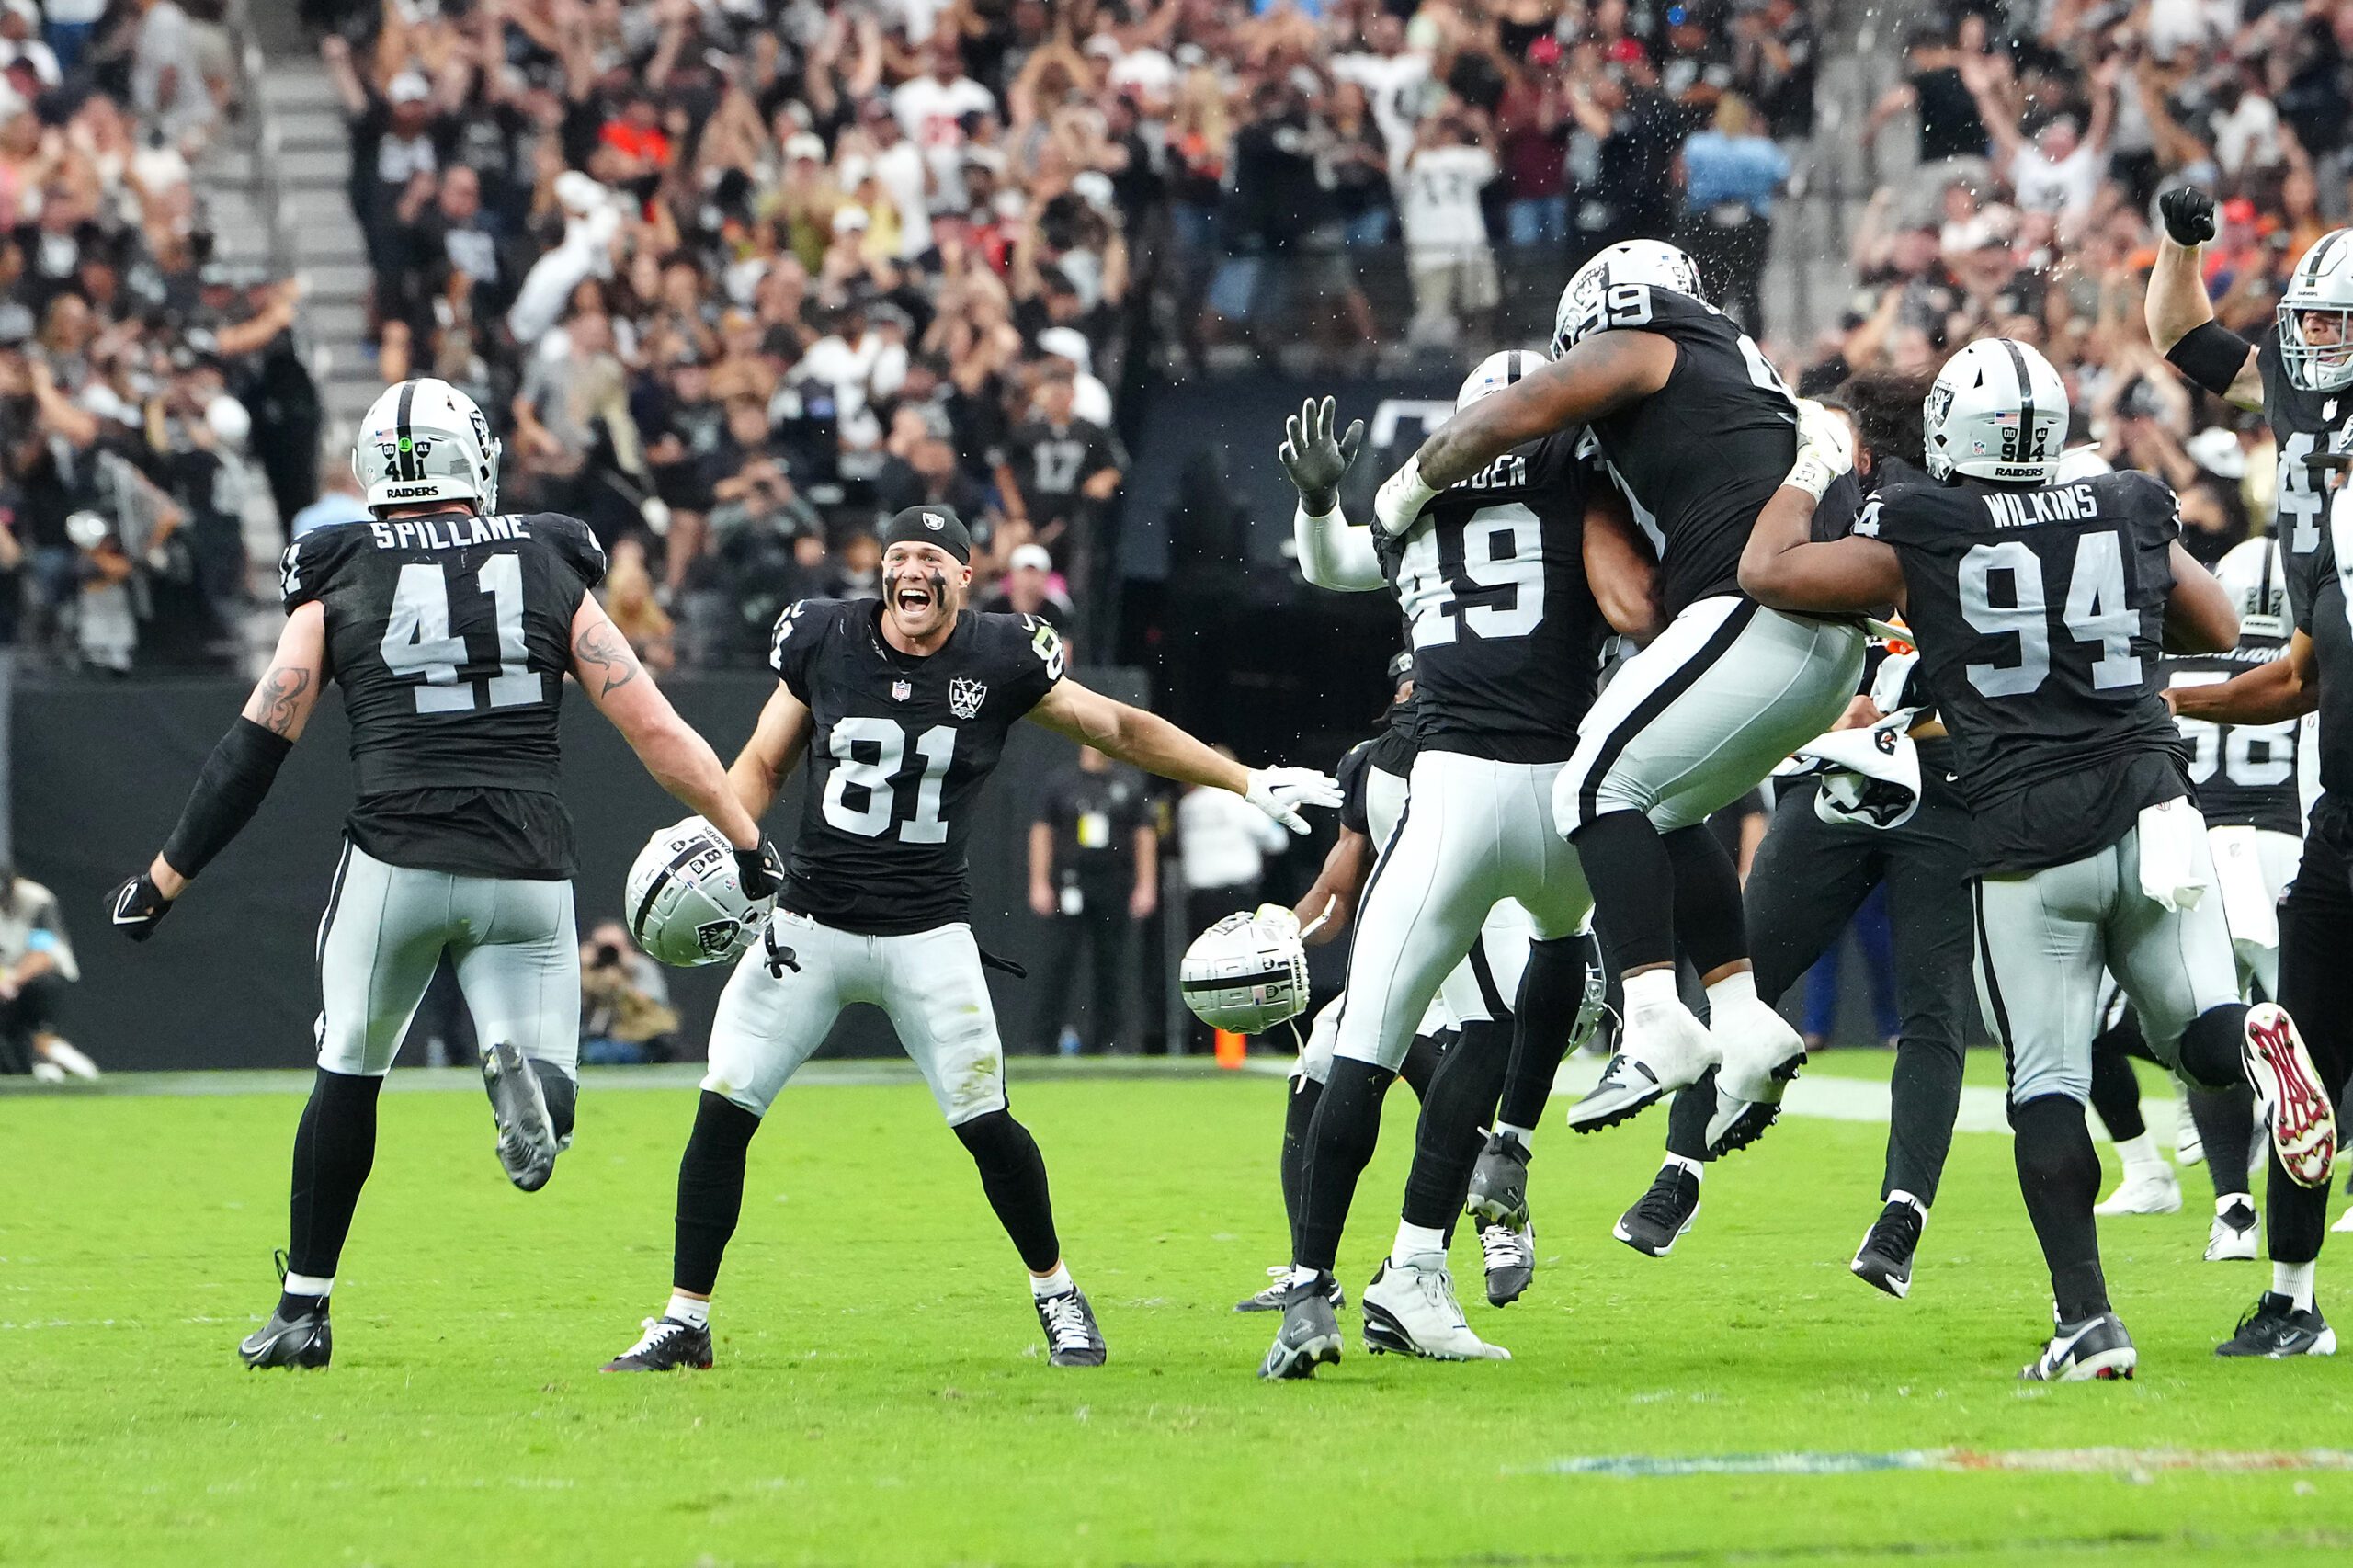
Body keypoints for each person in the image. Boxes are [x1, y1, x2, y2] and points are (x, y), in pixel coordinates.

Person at [105, 378, 779, 1371]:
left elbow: (259, 740)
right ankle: (533, 1089)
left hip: (395, 863)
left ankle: (304, 1310)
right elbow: (653, 728)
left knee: (350, 1069)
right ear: (478, 458)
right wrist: (747, 838)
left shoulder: (340, 567)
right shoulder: (548, 557)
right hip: (526, 867)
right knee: (555, 1080)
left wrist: (165, 875)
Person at [599, 505, 1338, 1375]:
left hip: (927, 931)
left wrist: (1244, 780)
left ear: (964, 572)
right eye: (898, 555)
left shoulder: (1002, 655)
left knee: (986, 1123)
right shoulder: (823, 636)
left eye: (930, 558)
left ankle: (1057, 1293)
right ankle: (686, 1320)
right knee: (723, 1108)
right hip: (810, 922)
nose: (911, 571)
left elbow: (1119, 729)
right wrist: (739, 846)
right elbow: (762, 763)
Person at [1738, 337, 2338, 1381]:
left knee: (2047, 1079)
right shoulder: (2125, 500)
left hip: (2025, 833)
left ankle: (2088, 1321)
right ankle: (2254, 1033)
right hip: (2155, 806)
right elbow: (2214, 623)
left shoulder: (1926, 522)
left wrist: (1810, 463)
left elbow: (1768, 572)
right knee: (2191, 1022)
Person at [1367, 239, 1865, 1163]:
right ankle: (1745, 1018)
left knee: (1590, 783)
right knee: (1659, 805)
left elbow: (1520, 409)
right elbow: (1637, 608)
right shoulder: (1721, 384)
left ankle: (1651, 1018)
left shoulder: (1645, 333)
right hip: (1799, 634)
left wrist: (1400, 492)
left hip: (1756, 610)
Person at [1261, 351, 1650, 1377]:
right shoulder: (1582, 479)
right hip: (1558, 783)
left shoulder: (1422, 498)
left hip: (1451, 790)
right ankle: (1495, 1165)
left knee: (1370, 1045)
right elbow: (1634, 604)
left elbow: (1331, 564)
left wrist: (1315, 504)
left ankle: (1312, 1288)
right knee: (1540, 973)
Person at [1613, 377, 1977, 1301]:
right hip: (1837, 777)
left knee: (1931, 1010)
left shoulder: (1944, 516)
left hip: (1938, 783)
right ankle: (1682, 1167)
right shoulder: (1833, 509)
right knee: (1739, 976)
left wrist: (1907, 707)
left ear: (1864, 450)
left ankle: (1902, 1210)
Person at [1028, 745, 1154, 1055]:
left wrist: (1146, 884)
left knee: (1111, 964)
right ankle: (1042, 1041)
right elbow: (1042, 832)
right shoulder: (1061, 784)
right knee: (1059, 962)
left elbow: (1144, 835)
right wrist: (1039, 882)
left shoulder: (1129, 784)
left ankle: (1109, 1041)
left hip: (1114, 883)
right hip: (1071, 883)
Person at [0, 865, 93, 1080]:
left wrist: (13, 979)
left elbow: (44, 951)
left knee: (43, 985)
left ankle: (46, 1052)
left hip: (34, 984)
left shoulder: (36, 900)